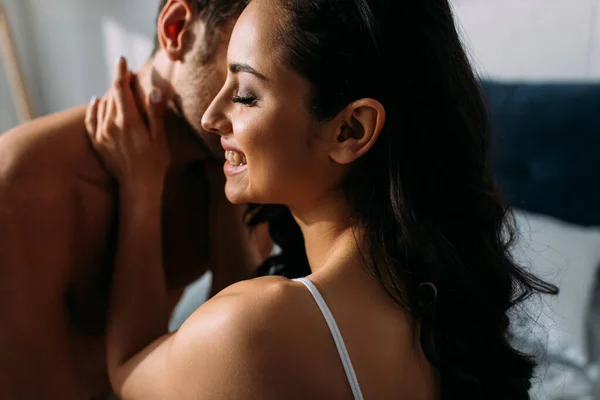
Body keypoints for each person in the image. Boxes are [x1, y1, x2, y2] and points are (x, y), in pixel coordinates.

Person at [85, 0, 558, 398]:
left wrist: (140, 191)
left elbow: (128, 368)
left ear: (350, 130)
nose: (211, 116)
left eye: (246, 94)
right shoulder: (436, 305)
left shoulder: (254, 328)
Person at [0, 1, 270, 399]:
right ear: (177, 30)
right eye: (243, 65)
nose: (258, 101)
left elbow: (243, 361)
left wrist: (226, 201)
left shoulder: (233, 164)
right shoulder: (28, 180)